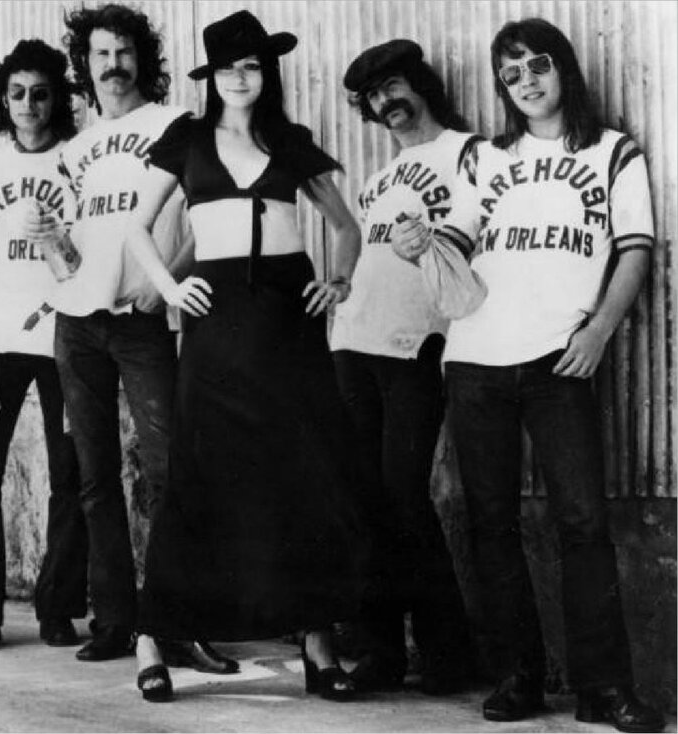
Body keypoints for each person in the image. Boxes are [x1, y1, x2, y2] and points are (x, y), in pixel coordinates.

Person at [399, 17, 664, 731]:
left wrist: (599, 331)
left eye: (537, 65)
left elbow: (635, 250)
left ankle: (604, 689)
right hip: (476, 359)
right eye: (510, 74)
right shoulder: (485, 158)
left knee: (583, 522)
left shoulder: (613, 152)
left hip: (559, 356)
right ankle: (518, 677)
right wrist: (419, 245)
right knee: (491, 525)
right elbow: (453, 244)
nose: (526, 82)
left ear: (563, 67)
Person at [124, 9, 366, 703]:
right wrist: (172, 287)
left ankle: (317, 645)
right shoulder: (188, 138)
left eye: (252, 66)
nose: (239, 78)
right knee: (199, 475)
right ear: (211, 77)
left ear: (268, 74)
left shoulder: (290, 141)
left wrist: (338, 282)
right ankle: (152, 636)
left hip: (289, 318)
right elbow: (136, 228)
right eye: (227, 68)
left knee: (305, 472)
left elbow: (346, 227)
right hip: (216, 315)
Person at [49, 4, 235, 673]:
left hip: (142, 322)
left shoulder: (174, 124)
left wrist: (168, 282)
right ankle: (116, 622)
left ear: (142, 58)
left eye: (124, 51)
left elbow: (209, 220)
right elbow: (69, 252)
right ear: (86, 64)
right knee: (96, 479)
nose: (113, 65)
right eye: (101, 53)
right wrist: (51, 246)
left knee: (168, 474)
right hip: (77, 324)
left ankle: (178, 624)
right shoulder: (73, 149)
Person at [329, 40, 479, 695]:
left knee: (405, 496)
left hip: (419, 346)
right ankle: (381, 653)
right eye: (373, 97)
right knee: (366, 501)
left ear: (421, 85)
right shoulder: (377, 181)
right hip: (354, 343)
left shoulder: (469, 154)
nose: (385, 102)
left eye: (393, 87)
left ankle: (449, 653)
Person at [0, 39, 88, 653]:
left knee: (69, 475)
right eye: (17, 94)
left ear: (57, 99)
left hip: (66, 334)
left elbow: (85, 257)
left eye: (40, 93)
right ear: (4, 101)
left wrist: (57, 240)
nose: (29, 104)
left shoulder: (79, 161)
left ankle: (58, 609)